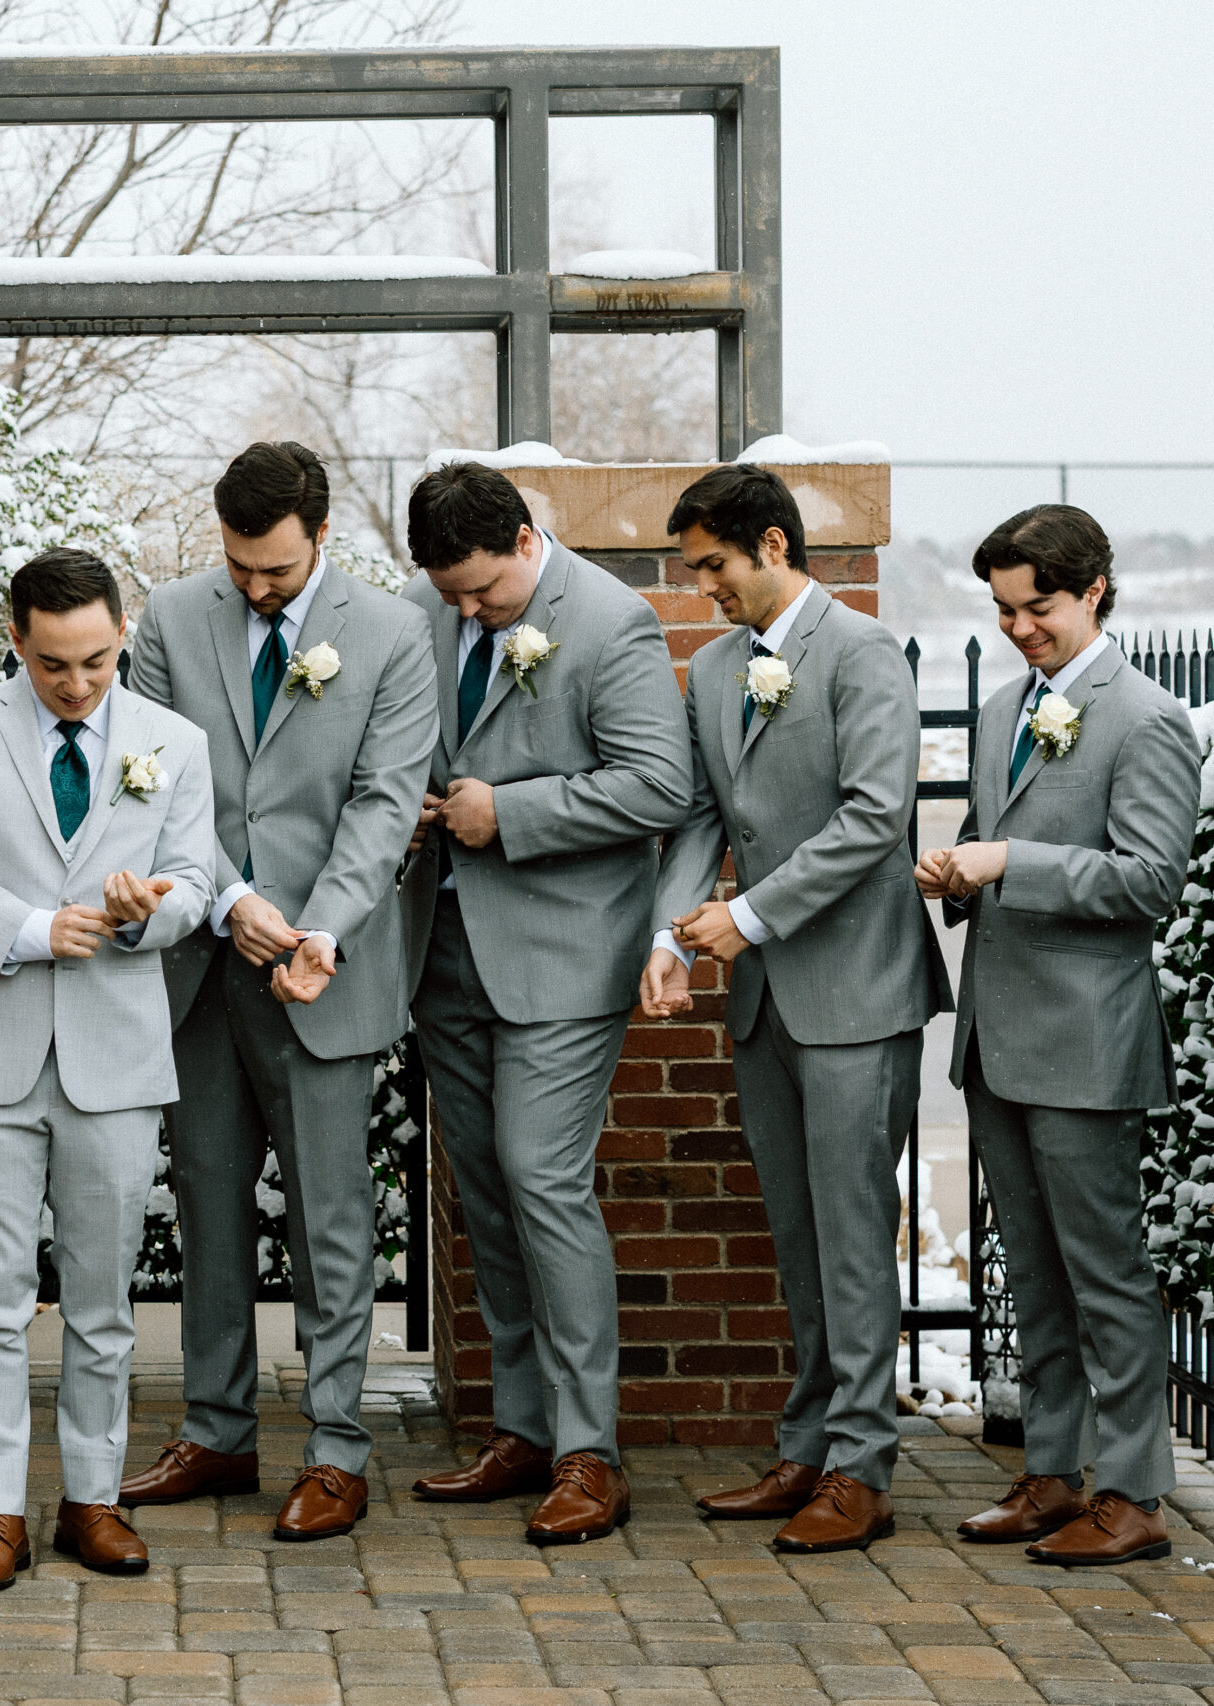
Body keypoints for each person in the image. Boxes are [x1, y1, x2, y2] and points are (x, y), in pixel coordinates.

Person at [118, 442, 436, 1540]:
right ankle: (214, 1431)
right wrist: (229, 898)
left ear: (321, 536)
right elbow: (151, 782)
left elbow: (384, 806)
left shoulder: (394, 633)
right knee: (206, 1200)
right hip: (204, 963)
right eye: (240, 564)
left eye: (279, 570)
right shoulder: (167, 618)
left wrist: (316, 928)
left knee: (332, 1216)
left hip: (321, 972)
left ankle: (338, 1446)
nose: (256, 587)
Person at [0, 549, 216, 1594]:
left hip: (114, 1057)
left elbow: (199, 879)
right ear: (15, 639)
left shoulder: (175, 741)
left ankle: (92, 1497)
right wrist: (34, 927)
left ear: (122, 629)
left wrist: (144, 912)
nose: (76, 683)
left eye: (95, 659)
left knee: (102, 1299)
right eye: (51, 664)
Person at [638, 464, 946, 1552]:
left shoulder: (863, 654)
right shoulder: (715, 665)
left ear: (773, 545)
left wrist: (750, 917)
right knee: (799, 1232)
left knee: (856, 1230)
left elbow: (873, 817)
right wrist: (674, 931)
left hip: (857, 989)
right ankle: (808, 1444)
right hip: (766, 1002)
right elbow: (691, 815)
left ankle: (860, 1469)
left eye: (713, 566)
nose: (703, 587)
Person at [396, 460, 691, 1544]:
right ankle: (520, 1426)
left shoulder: (611, 623)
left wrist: (504, 811)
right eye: (450, 597)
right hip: (445, 953)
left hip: (564, 957)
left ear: (527, 539)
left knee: (541, 1175)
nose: (468, 612)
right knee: (484, 1189)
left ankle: (587, 1449)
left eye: (483, 591)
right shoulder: (427, 614)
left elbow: (660, 785)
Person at [916, 504, 1198, 1566]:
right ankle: (1051, 1470)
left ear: (1093, 590)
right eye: (1001, 608)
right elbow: (998, 856)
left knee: (1103, 1272)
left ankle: (1131, 1491)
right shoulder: (998, 711)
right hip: (997, 1034)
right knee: (1030, 1269)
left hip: (1086, 1040)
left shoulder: (1146, 718)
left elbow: (1148, 883)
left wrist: (1005, 863)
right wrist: (956, 875)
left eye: (1037, 605)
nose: (1018, 626)